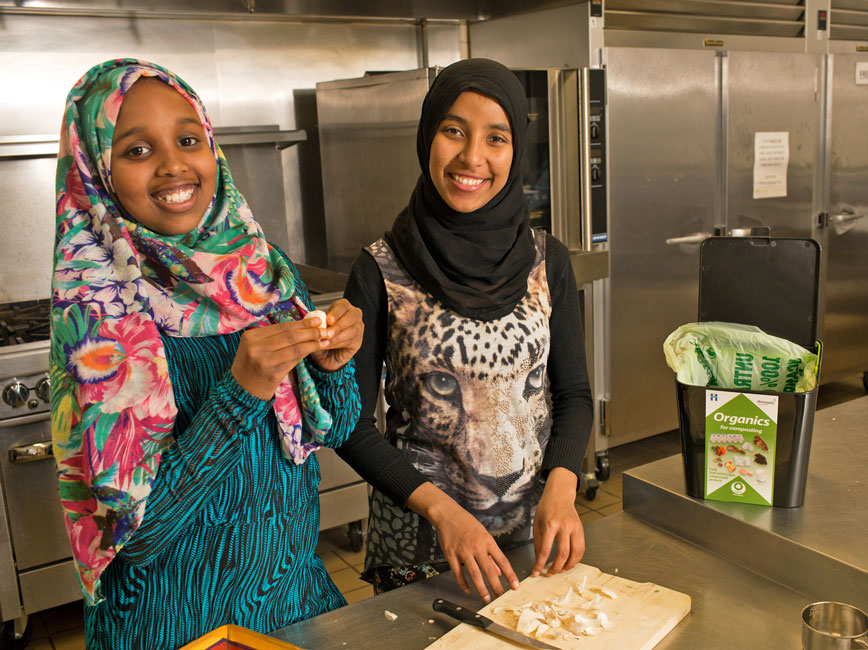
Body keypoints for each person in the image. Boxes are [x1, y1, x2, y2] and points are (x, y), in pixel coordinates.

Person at [50, 59, 363, 650]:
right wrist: (241, 391)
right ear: (96, 169)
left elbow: (331, 428)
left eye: (188, 140)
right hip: (176, 627)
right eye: (137, 150)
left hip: (292, 602)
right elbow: (134, 541)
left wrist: (333, 362)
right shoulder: (98, 322)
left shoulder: (261, 273)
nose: (174, 164)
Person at [337, 58, 594, 604]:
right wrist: (443, 513)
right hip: (419, 549)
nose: (472, 157)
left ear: (515, 151)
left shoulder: (549, 262)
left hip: (531, 541)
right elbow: (353, 428)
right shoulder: (380, 270)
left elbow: (573, 394)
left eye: (495, 138)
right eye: (454, 130)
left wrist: (564, 484)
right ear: (428, 136)